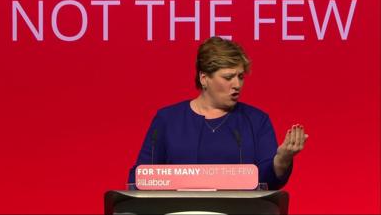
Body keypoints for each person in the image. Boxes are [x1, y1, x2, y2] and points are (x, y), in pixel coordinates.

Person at [128, 36, 308, 190]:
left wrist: (282, 159)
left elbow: (267, 182)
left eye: (240, 77)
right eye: (228, 77)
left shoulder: (256, 120)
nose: (237, 84)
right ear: (204, 78)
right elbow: (140, 178)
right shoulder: (168, 120)